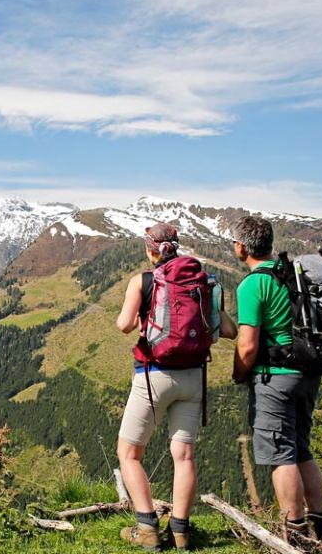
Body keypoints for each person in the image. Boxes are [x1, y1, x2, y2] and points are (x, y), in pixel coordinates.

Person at [115, 222, 237, 550]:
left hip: (154, 376)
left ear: (150, 249)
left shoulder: (143, 281)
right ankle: (180, 531)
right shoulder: (207, 282)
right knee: (184, 455)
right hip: (194, 377)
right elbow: (228, 330)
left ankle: (147, 528)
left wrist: (142, 315)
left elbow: (125, 325)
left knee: (129, 453)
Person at [231, 215, 322, 541]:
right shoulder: (290, 275)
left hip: (275, 378)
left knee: (281, 455)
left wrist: (238, 373)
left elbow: (247, 346)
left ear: (241, 246)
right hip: (307, 372)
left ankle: (295, 535)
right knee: (302, 449)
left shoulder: (253, 284)